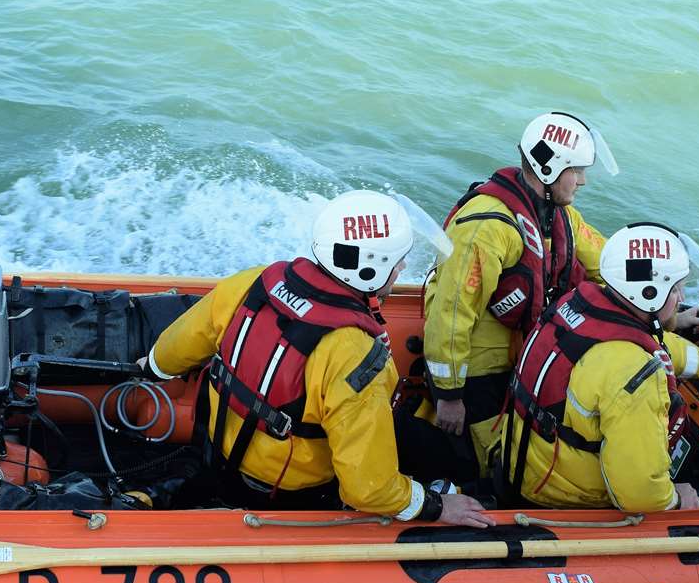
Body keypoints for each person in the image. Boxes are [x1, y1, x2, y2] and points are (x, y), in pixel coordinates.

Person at [146, 190, 494, 527]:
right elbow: (368, 490)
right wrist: (433, 505)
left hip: (216, 452)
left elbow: (169, 355)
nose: (403, 266)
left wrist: (151, 369)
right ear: (370, 270)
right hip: (289, 494)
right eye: (397, 260)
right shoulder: (355, 353)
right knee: (446, 457)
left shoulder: (252, 283)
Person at [422, 111, 699, 472]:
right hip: (478, 372)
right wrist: (449, 396)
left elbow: (613, 269)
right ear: (549, 170)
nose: (583, 181)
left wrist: (667, 308)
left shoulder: (560, 217)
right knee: (494, 463)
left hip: (527, 354)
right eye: (576, 170)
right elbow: (449, 317)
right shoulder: (485, 230)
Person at [499, 221, 699, 513]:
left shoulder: (578, 303)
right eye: (676, 291)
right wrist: (678, 498)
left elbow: (656, 343)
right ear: (649, 294)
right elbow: (641, 495)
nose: (683, 300)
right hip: (562, 497)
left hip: (521, 462)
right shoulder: (634, 373)